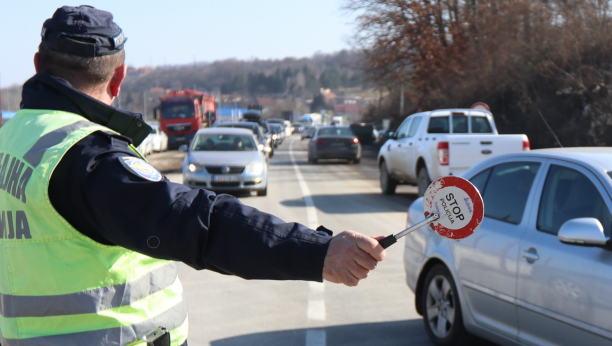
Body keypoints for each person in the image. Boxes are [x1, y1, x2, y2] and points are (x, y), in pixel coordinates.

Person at [0, 5, 386, 346]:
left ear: (37, 65)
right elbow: (200, 223)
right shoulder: (88, 156)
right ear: (119, 78)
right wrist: (319, 252)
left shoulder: (11, 141)